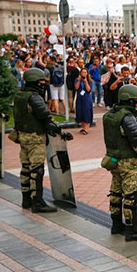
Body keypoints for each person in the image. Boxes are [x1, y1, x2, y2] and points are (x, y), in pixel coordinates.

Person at [102, 85, 137, 241]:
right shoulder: (127, 117)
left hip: (113, 161)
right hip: (129, 163)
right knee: (130, 196)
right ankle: (131, 230)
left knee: (115, 193)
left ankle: (116, 224)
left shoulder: (109, 115)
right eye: (136, 101)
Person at [13, 68, 72, 213]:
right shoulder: (34, 97)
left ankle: (26, 199)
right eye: (40, 82)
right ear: (34, 82)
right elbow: (45, 118)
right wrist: (61, 132)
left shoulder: (20, 95)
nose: (43, 84)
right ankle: (38, 202)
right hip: (35, 137)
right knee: (37, 170)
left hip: (23, 136)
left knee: (25, 168)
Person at [74, 67, 93, 135]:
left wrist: (86, 82)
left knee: (86, 112)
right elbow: (76, 88)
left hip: (86, 98)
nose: (83, 74)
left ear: (87, 73)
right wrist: (79, 80)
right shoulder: (77, 80)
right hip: (79, 98)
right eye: (82, 72)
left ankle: (86, 129)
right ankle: (83, 127)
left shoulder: (89, 80)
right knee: (80, 111)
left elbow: (88, 90)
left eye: (85, 72)